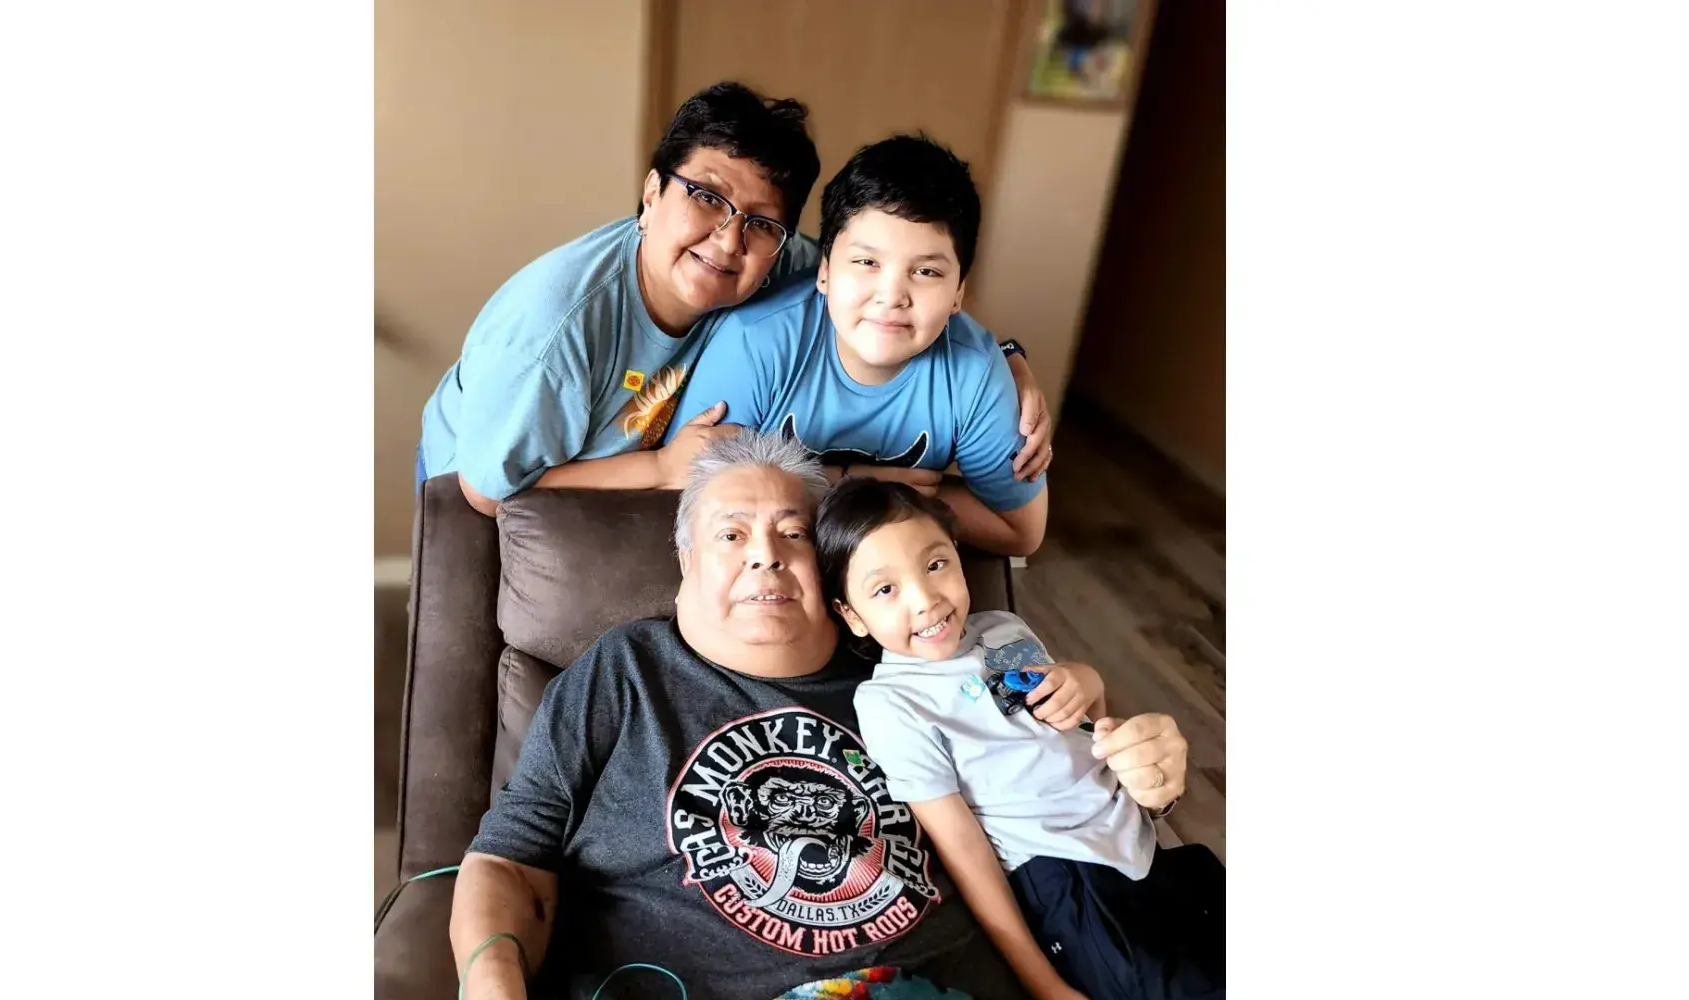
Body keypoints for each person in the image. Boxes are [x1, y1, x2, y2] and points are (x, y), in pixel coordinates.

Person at [447, 431, 1101, 1000]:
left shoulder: (912, 669)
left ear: (834, 569)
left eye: (794, 533)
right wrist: (492, 985)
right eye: (731, 535)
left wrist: (1114, 733)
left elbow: (1056, 789)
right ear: (687, 561)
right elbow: (509, 859)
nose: (765, 554)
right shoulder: (625, 671)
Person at [417, 83, 1054, 518]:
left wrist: (1004, 358)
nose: (728, 240)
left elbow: (885, 284)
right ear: (651, 193)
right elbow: (488, 490)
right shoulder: (555, 330)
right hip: (484, 477)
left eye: (760, 221)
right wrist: (662, 470)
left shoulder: (778, 256)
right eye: (705, 197)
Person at [815, 478, 1225, 1000]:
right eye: (885, 590)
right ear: (852, 615)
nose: (925, 600)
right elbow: (964, 852)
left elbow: (1067, 730)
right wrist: (1044, 984)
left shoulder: (1003, 630)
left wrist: (1087, 684)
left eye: (936, 564)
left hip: (1143, 847)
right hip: (1072, 883)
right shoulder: (892, 703)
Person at [668, 134, 1048, 556]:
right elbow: (689, 496)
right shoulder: (755, 342)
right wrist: (854, 485)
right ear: (825, 270)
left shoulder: (976, 372)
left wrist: (884, 496)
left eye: (926, 272)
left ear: (959, 292)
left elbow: (1020, 531)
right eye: (867, 262)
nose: (891, 296)